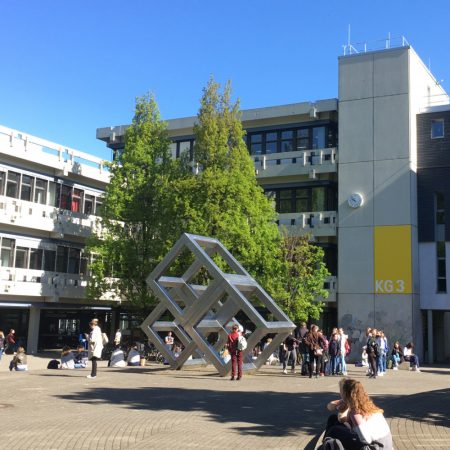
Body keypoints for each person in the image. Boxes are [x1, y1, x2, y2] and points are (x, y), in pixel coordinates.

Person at [324, 378, 393, 450]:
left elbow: (366, 439)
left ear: (345, 394)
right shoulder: (368, 404)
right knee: (335, 425)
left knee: (335, 430)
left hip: (374, 447)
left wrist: (354, 435)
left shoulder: (355, 413)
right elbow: (330, 407)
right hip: (386, 445)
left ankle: (326, 445)